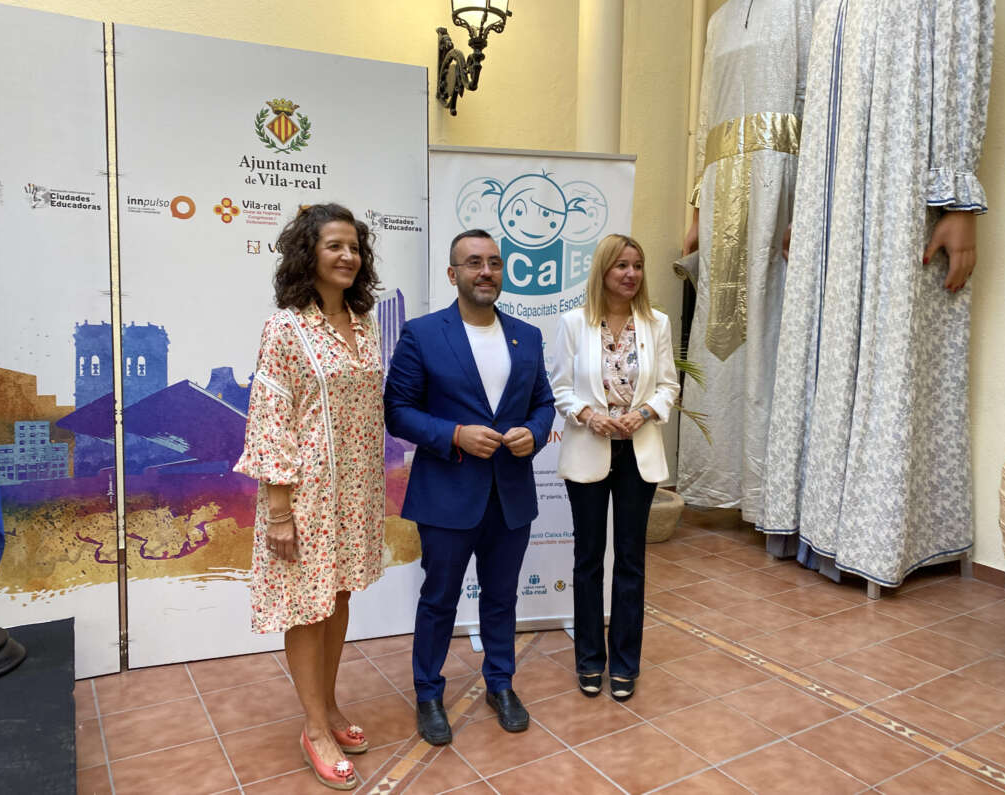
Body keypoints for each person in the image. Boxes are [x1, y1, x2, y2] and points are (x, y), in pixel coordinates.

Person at [760, 0, 994, 588]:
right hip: (833, 194)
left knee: (890, 342)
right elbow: (824, 99)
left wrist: (958, 201)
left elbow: (962, 56)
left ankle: (877, 535)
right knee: (825, 339)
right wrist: (809, 206)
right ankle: (817, 519)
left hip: (899, 173)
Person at [234, 203, 386, 791]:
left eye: (354, 247)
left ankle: (328, 704)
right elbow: (270, 420)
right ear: (309, 254)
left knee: (338, 595)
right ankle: (315, 728)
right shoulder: (285, 327)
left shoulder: (365, 324)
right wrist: (279, 511)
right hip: (304, 497)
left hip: (355, 491)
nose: (348, 256)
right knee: (306, 606)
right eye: (334, 246)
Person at [384, 229, 555, 745]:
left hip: (510, 495)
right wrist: (454, 434)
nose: (486, 271)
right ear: (453, 273)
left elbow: (543, 404)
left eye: (494, 263)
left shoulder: (527, 335)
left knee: (501, 598)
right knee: (439, 599)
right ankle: (428, 693)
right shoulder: (422, 334)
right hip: (447, 495)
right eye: (474, 262)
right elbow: (398, 411)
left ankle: (500, 684)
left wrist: (535, 433)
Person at [677, 0, 816, 523]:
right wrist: (697, 209)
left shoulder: (807, 7)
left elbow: (818, 107)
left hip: (781, 181)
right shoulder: (718, 20)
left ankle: (771, 496)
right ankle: (720, 479)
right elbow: (705, 118)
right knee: (722, 335)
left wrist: (808, 205)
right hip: (722, 189)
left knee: (771, 329)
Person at [550, 234, 680, 701]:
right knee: (588, 561)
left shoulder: (657, 323)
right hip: (589, 449)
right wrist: (589, 415)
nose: (631, 274)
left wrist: (643, 413)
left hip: (637, 456)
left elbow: (668, 386)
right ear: (603, 271)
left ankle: (625, 663)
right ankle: (589, 659)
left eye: (637, 265)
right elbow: (560, 387)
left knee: (630, 561)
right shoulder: (574, 323)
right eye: (621, 265)